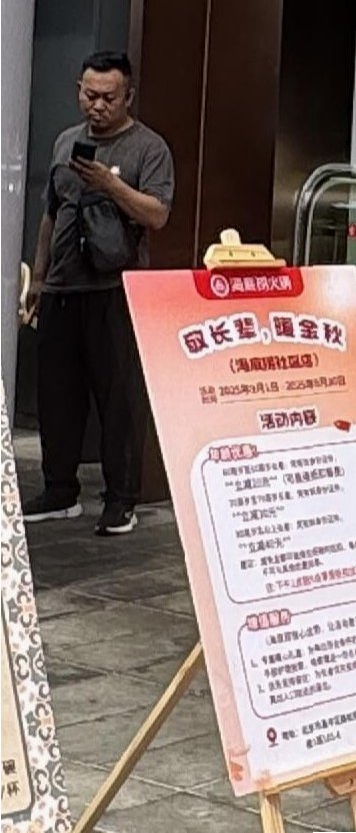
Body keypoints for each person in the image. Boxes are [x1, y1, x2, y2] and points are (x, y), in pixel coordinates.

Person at [17, 52, 173, 537]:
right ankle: (59, 490)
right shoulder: (66, 140)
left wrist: (109, 184)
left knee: (118, 397)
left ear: (128, 96)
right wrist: (39, 278)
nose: (97, 105)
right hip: (63, 286)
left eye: (108, 97)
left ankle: (121, 499)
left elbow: (158, 214)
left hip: (116, 290)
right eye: (89, 95)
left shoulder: (149, 147)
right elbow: (51, 214)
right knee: (58, 396)